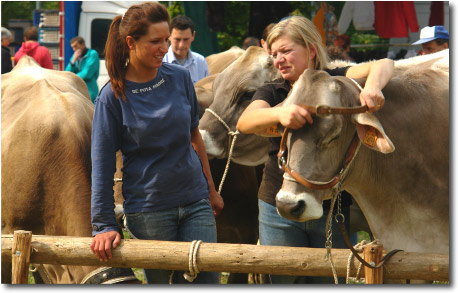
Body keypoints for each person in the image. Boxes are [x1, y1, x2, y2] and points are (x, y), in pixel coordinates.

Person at [236, 16, 394, 284]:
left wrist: (372, 88)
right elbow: (245, 121)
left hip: (332, 207)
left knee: (331, 283)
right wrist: (281, 112)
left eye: (286, 51)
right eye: (274, 54)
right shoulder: (274, 90)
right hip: (279, 205)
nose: (279, 60)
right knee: (281, 282)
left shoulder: (336, 79)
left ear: (310, 50)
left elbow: (384, 63)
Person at [90, 2, 223, 284]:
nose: (165, 48)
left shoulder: (180, 77)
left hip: (195, 201)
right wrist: (103, 225)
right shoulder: (111, 98)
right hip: (149, 210)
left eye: (166, 40)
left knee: (208, 281)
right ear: (131, 42)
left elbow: (194, 135)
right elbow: (101, 167)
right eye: (155, 41)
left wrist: (210, 189)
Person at [163, 15, 208, 84]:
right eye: (177, 39)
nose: (181, 45)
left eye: (186, 39)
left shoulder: (200, 61)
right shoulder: (160, 62)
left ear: (193, 36)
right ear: (169, 36)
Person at [65, 36, 100, 103]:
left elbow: (86, 74)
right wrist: (73, 61)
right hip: (78, 91)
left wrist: (72, 77)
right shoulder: (76, 55)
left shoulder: (92, 54)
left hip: (89, 91)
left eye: (76, 46)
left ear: (83, 44)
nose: (74, 49)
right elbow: (67, 73)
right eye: (72, 47)